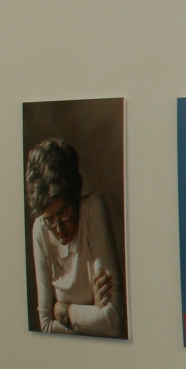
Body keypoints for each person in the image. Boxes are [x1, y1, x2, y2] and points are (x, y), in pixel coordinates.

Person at [27, 138, 124, 337]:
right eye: (50, 219)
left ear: (76, 197)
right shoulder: (40, 229)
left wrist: (61, 310)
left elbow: (113, 322)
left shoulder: (93, 209)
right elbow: (46, 326)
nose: (58, 228)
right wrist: (92, 314)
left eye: (64, 212)